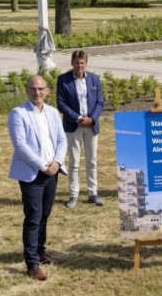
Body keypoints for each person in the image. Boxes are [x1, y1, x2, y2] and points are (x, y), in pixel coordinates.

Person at [8, 75, 68, 281]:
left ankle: (41, 252)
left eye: (41, 89)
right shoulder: (18, 114)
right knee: (33, 217)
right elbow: (21, 146)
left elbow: (61, 139)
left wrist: (57, 162)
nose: (38, 93)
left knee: (45, 215)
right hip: (32, 173)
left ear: (47, 91)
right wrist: (43, 166)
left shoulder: (53, 113)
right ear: (27, 91)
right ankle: (32, 263)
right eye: (33, 89)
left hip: (52, 171)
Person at [56, 49, 107, 208]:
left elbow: (100, 102)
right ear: (72, 63)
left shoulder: (94, 79)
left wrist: (91, 119)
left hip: (91, 125)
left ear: (86, 63)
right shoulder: (63, 80)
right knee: (74, 162)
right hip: (74, 125)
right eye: (77, 63)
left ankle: (93, 193)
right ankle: (73, 195)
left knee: (92, 161)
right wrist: (78, 118)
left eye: (82, 63)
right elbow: (61, 103)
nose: (80, 66)